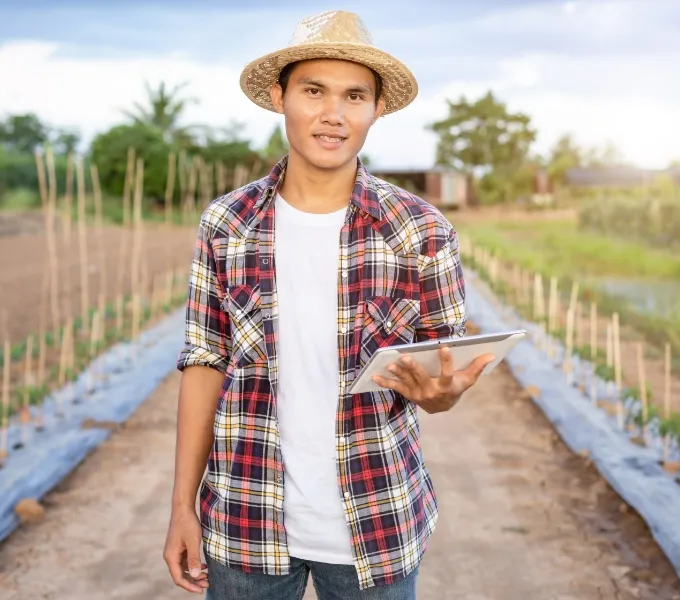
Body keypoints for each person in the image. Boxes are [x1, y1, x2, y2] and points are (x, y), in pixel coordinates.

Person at [164, 10, 494, 600]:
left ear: (376, 110)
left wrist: (443, 395)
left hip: (376, 521)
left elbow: (444, 365)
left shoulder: (420, 230)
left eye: (354, 96)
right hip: (246, 520)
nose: (333, 114)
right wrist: (181, 506)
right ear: (279, 96)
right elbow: (204, 364)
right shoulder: (227, 223)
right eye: (313, 90)